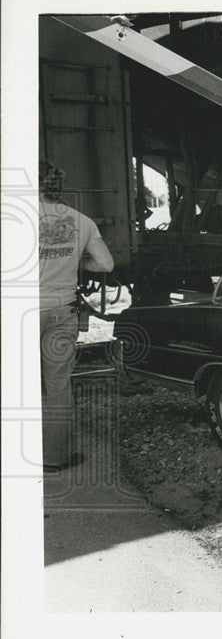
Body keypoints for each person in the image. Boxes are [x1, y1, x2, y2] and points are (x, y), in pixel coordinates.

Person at [38, 160, 114, 472]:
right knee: (57, 387)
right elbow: (106, 264)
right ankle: (54, 458)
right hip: (62, 312)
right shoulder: (82, 221)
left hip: (20, 312)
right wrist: (77, 265)